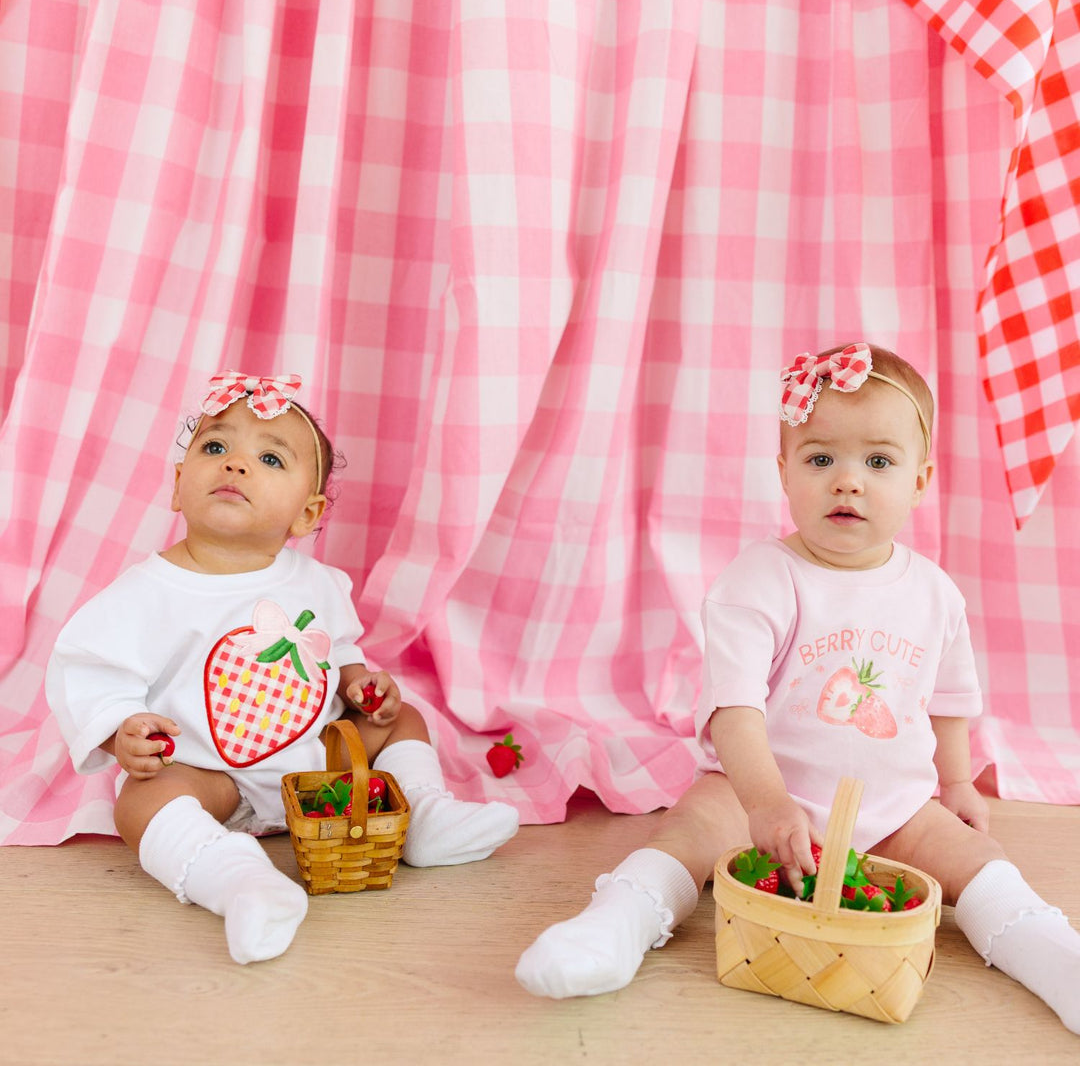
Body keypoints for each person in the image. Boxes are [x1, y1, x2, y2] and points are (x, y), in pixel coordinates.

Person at [515, 343, 1080, 1035]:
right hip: (756, 788)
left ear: (921, 480)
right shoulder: (761, 580)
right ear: (784, 471)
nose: (848, 482)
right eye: (821, 459)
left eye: (878, 462)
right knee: (689, 834)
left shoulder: (935, 593)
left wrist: (957, 784)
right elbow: (735, 709)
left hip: (896, 805)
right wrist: (766, 802)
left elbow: (949, 702)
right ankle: (614, 926)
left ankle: (1054, 957)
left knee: (980, 863)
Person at [47, 371, 519, 965]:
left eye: (269, 458)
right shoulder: (143, 593)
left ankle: (420, 814)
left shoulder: (319, 583)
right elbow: (93, 673)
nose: (236, 465)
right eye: (215, 447)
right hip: (211, 774)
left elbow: (339, 652)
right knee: (139, 802)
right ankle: (233, 877)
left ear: (306, 513)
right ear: (176, 485)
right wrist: (122, 732)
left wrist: (360, 685)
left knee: (403, 721)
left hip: (320, 761)